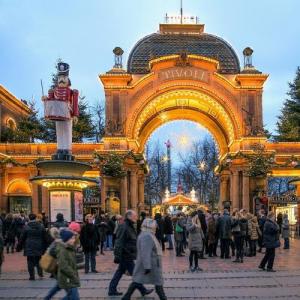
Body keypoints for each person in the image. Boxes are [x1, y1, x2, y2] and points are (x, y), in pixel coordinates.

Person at [108, 210, 153, 297]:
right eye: (135, 216)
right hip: (126, 254)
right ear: (129, 216)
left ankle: (112, 289)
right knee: (135, 273)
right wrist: (117, 256)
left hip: (128, 253)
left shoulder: (130, 226)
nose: (136, 217)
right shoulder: (124, 226)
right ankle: (143, 290)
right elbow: (119, 242)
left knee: (120, 272)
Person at [122, 218, 166, 300]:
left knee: (137, 280)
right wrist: (147, 266)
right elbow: (145, 252)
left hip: (151, 263)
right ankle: (163, 298)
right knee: (157, 282)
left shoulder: (148, 234)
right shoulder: (147, 236)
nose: (155, 228)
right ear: (150, 226)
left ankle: (126, 297)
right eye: (154, 226)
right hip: (151, 264)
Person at [18, 213, 47, 280]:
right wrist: (45, 246)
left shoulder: (26, 227)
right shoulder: (41, 226)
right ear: (35, 218)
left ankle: (32, 276)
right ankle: (40, 274)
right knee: (39, 259)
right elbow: (45, 237)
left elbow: (22, 238)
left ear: (29, 218)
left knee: (30, 261)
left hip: (29, 245)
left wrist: (19, 246)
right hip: (39, 245)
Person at [56, 229, 80, 299]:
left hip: (70, 277)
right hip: (67, 278)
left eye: (74, 238)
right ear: (66, 240)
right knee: (75, 298)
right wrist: (73, 274)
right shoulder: (63, 250)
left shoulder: (70, 248)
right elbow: (63, 265)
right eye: (72, 238)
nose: (73, 240)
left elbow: (71, 262)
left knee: (70, 297)